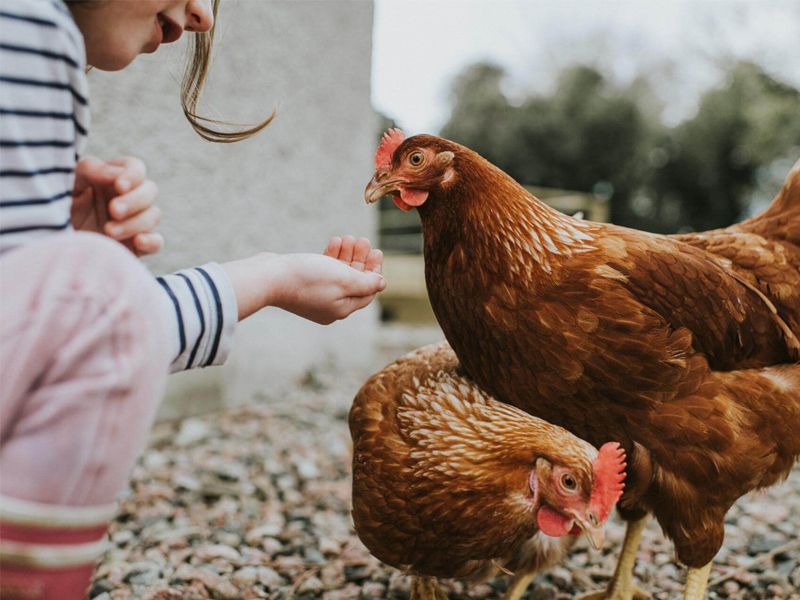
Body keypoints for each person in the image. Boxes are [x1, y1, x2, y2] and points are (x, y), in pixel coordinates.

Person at [0, 1, 386, 597]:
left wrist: (64, 261)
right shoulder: (30, 29)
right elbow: (90, 330)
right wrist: (269, 278)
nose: (203, 15)